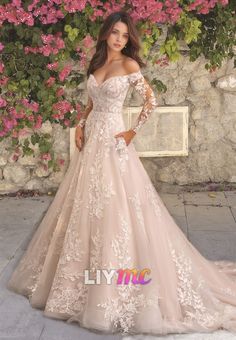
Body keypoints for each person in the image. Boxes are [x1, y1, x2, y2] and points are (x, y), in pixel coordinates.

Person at [7, 10, 236, 336]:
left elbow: (150, 100)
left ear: (129, 39)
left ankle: (117, 284)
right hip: (92, 144)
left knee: (117, 208)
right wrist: (81, 124)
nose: (119, 38)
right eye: (115, 32)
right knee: (84, 207)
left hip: (114, 143)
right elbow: (91, 100)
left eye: (124, 35)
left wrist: (131, 133)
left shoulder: (128, 66)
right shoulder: (97, 63)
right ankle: (80, 281)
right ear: (105, 34)